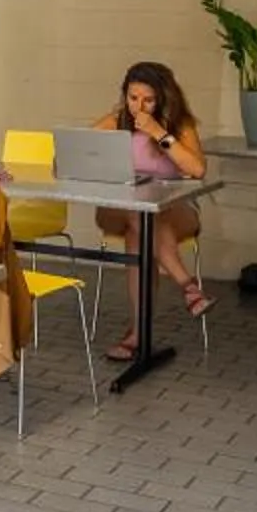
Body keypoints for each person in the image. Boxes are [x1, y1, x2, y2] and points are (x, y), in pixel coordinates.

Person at [93, 60, 210, 359]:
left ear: (163, 99)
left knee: (139, 233)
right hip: (120, 207)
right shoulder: (116, 120)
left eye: (148, 99)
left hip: (174, 209)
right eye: (133, 98)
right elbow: (79, 150)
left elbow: (197, 169)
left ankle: (137, 333)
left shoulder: (180, 125)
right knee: (138, 211)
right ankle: (187, 285)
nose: (139, 106)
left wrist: (159, 133)